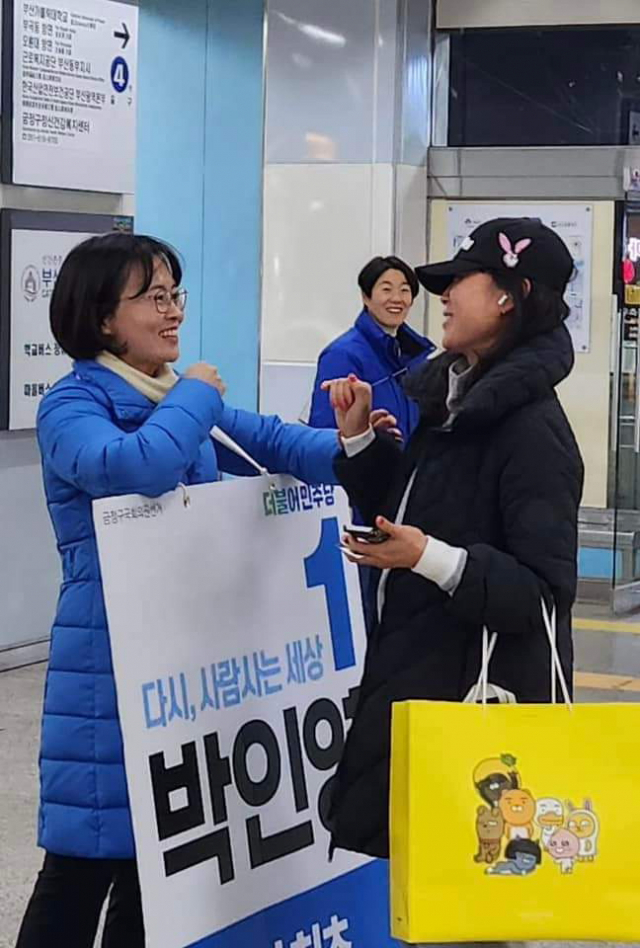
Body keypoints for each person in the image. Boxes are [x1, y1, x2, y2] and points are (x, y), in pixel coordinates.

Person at [15, 233, 353, 948]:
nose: (173, 313)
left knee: (159, 868)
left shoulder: (172, 397)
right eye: (154, 298)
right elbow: (136, 468)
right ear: (103, 317)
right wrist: (197, 393)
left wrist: (355, 445)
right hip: (106, 667)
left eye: (176, 296)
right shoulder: (72, 406)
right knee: (82, 863)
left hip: (182, 663)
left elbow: (276, 443)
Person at [322, 217, 584, 860]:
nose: (441, 296)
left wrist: (429, 559)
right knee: (426, 891)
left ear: (511, 296)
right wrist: (359, 440)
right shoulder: (456, 404)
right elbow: (419, 513)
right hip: (422, 683)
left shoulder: (531, 431)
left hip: (476, 721)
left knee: (469, 892)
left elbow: (541, 596)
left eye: (460, 281)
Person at [307, 255, 434, 440]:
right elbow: (325, 435)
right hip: (365, 459)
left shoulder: (416, 355)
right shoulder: (342, 355)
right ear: (366, 297)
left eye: (404, 290)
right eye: (386, 289)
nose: (397, 298)